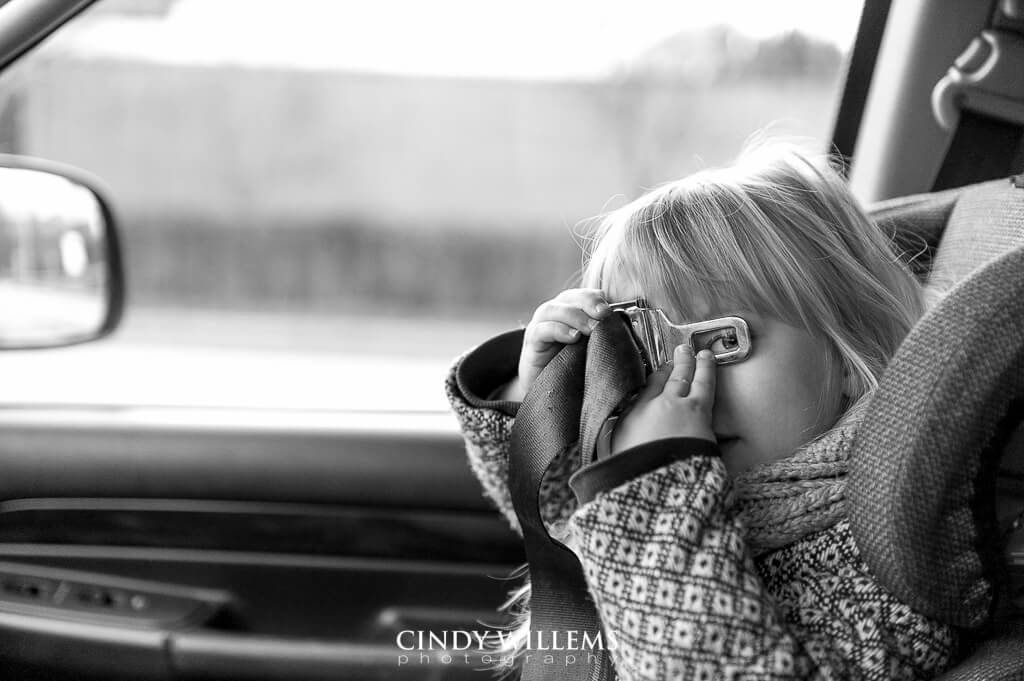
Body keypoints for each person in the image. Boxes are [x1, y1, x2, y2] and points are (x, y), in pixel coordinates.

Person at [444, 143, 958, 680]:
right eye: (643, 351)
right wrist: (546, 412)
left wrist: (656, 489)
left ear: (847, 355)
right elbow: (561, 529)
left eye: (719, 341)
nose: (682, 384)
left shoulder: (892, 545)